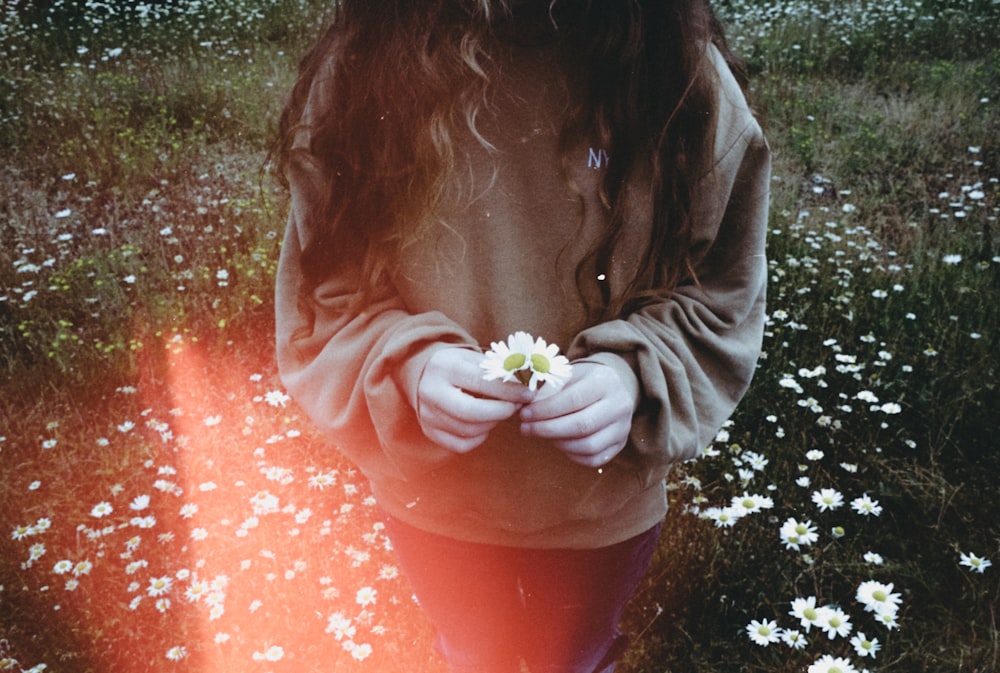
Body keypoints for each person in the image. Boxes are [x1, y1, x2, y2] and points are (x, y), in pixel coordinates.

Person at [273, 1, 769, 671]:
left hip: (601, 512)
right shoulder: (362, 72)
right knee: (470, 653)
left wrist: (634, 374)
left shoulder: (679, 76)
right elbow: (325, 293)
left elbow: (721, 291)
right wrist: (408, 368)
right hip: (436, 510)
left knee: (576, 657)